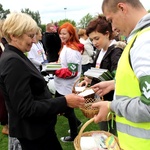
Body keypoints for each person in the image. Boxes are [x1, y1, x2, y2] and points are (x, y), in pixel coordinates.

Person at [0, 12, 85, 150]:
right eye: (30, 35)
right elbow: (26, 108)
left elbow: (33, 95)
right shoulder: (12, 61)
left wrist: (54, 106)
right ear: (13, 35)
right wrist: (64, 101)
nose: (34, 40)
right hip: (34, 135)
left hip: (38, 130)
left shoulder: (16, 55)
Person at [91, 0, 150, 150]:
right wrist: (114, 84)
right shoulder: (139, 39)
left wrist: (112, 105)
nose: (113, 28)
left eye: (111, 20)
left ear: (122, 8)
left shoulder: (145, 41)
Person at [79, 15, 125, 135]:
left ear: (107, 34)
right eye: (92, 40)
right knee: (104, 130)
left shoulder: (116, 51)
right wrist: (88, 79)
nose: (94, 43)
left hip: (111, 101)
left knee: (112, 133)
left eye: (96, 38)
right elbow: (97, 70)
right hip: (100, 97)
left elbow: (118, 78)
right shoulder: (100, 51)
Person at [54, 22, 84, 142]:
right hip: (62, 85)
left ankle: (74, 135)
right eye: (60, 33)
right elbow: (64, 64)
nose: (61, 36)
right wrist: (55, 66)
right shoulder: (66, 46)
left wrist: (55, 71)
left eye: (64, 34)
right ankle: (76, 123)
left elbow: (72, 72)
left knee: (67, 110)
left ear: (71, 34)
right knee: (62, 108)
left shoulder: (72, 50)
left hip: (67, 86)